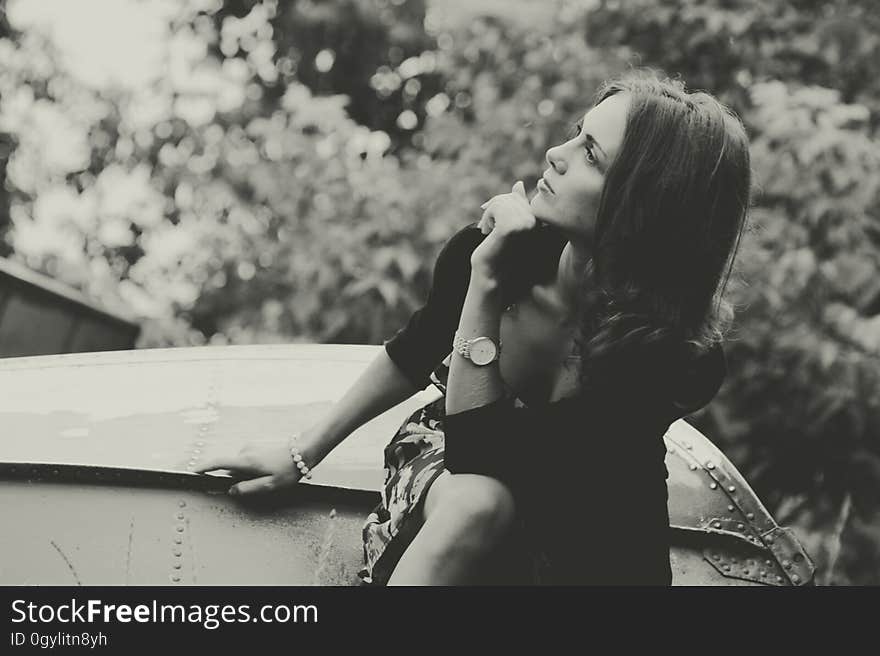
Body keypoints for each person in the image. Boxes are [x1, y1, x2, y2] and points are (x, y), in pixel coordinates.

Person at [196, 69, 751, 585]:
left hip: (580, 497)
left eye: (590, 155)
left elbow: (578, 488)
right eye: (574, 133)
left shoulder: (678, 358)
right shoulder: (492, 253)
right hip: (454, 460)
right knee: (479, 504)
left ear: (644, 205)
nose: (554, 155)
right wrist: (300, 456)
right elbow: (427, 379)